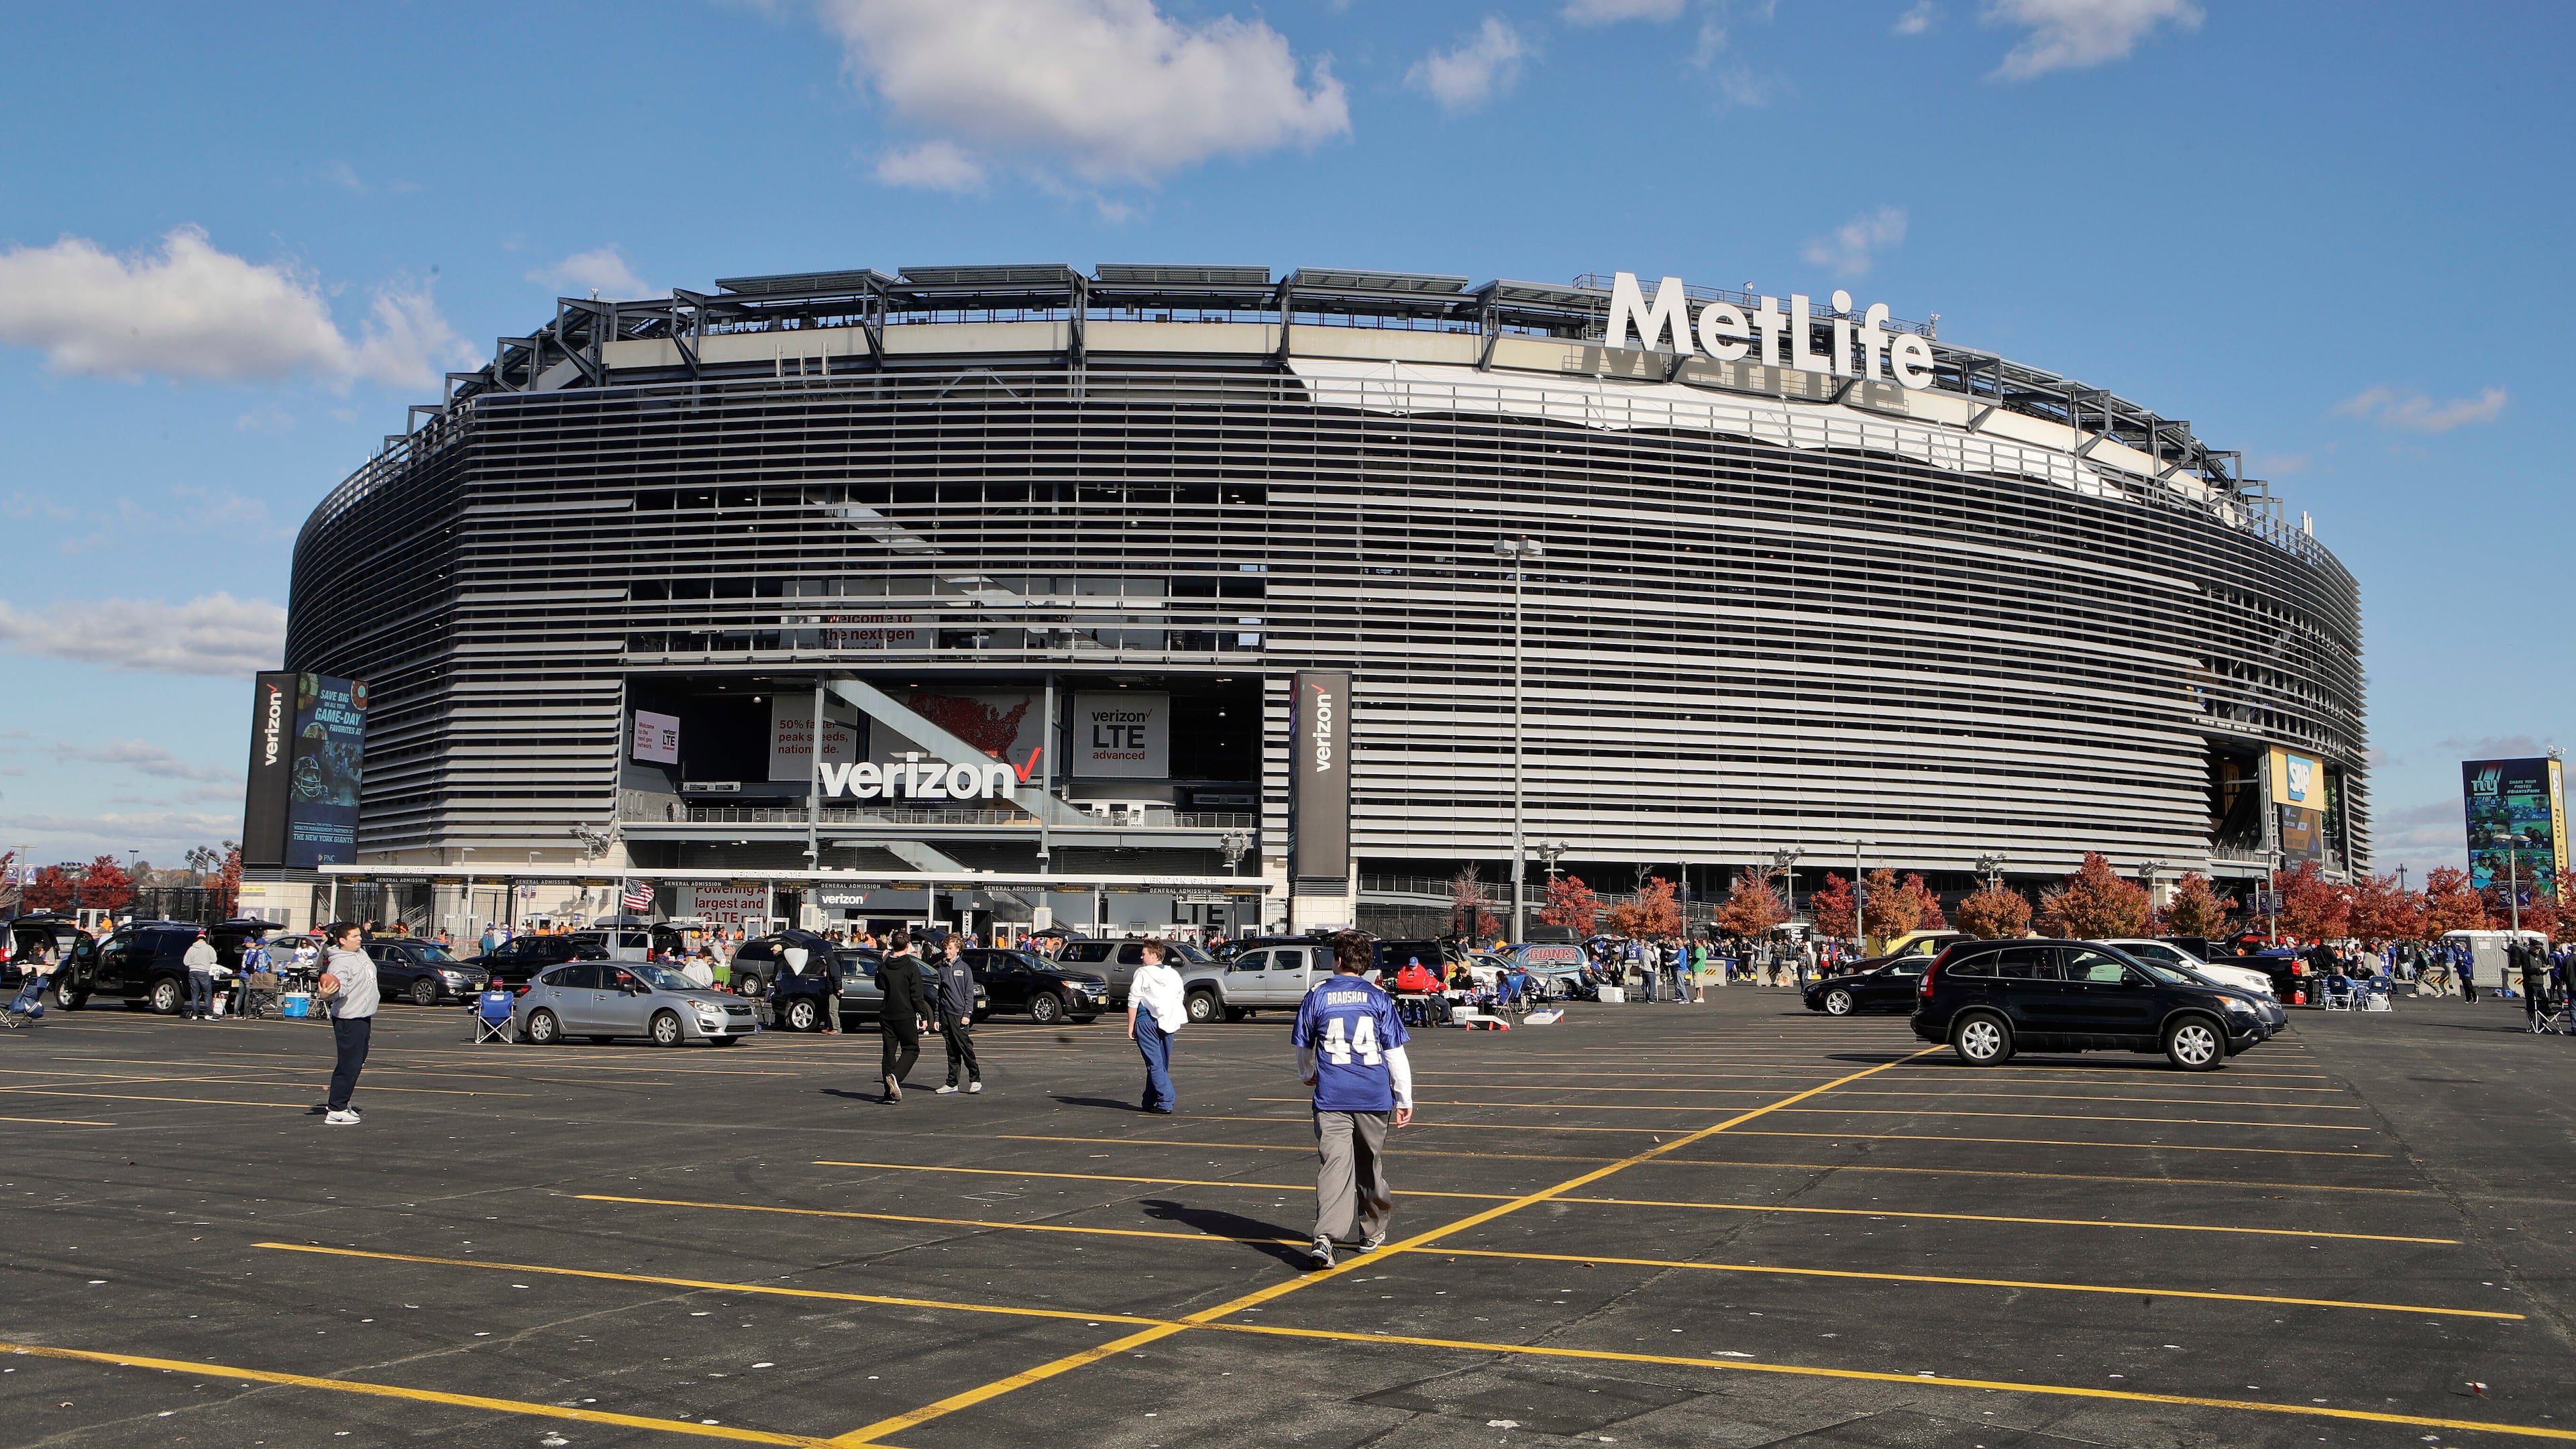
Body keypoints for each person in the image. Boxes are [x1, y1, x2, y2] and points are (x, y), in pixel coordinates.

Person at [1293, 932, 1415, 1269]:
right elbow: (1394, 1053)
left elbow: (1304, 1045)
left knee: (1335, 1164)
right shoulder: (1378, 997)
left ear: (1338, 960)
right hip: (1373, 1097)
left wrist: (1307, 1073)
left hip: (1331, 1094)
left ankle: (1328, 1236)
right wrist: (1404, 1095)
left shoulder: (1317, 994)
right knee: (1368, 1164)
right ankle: (1360, 1231)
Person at [315, 922, 378, 1125]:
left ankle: (343, 1102)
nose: (359, 939)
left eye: (359, 935)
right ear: (342, 940)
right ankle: (336, 1108)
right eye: (354, 936)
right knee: (348, 1064)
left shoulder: (360, 953)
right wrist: (327, 993)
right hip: (348, 1017)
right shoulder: (340, 962)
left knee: (357, 1062)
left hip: (363, 1015)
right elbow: (337, 989)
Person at [1127, 939, 1185, 1114]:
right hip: (1169, 1022)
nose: (1141, 956)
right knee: (1160, 1064)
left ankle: (1167, 1100)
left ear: (1154, 955)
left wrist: (1130, 1026)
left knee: (1155, 1064)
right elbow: (1180, 996)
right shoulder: (1173, 974)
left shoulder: (1142, 973)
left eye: (1144, 953)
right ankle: (1149, 1100)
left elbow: (1133, 1000)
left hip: (1146, 1021)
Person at [876, 927, 929, 1102]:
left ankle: (889, 1093)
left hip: (887, 1013)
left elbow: (879, 985)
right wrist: (923, 1015)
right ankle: (895, 1078)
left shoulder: (885, 965)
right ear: (907, 946)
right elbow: (916, 994)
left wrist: (883, 963)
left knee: (889, 1053)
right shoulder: (911, 966)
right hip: (905, 1014)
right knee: (912, 1049)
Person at [932, 934, 983, 1095]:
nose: (947, 952)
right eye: (945, 949)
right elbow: (939, 995)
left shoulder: (964, 968)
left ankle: (975, 1080)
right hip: (946, 1014)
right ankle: (952, 1082)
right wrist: (937, 1017)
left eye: (950, 949)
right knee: (951, 1050)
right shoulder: (942, 969)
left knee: (965, 1047)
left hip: (960, 1014)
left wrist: (967, 1013)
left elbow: (969, 993)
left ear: (958, 949)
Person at [182, 929, 219, 1020]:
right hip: (203, 972)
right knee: (207, 993)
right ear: (205, 939)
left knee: (195, 994)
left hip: (192, 972)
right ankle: (208, 1014)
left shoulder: (191, 948)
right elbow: (214, 960)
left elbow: (186, 962)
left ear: (197, 939)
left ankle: (195, 1014)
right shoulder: (208, 948)